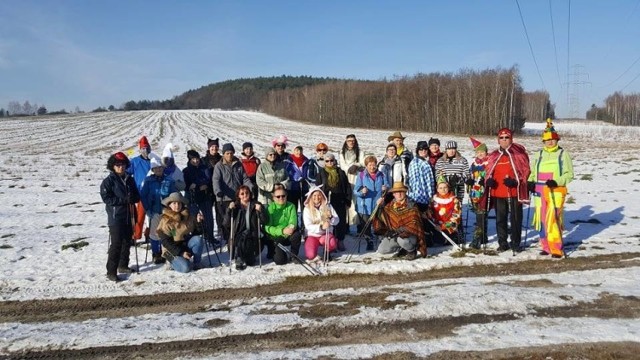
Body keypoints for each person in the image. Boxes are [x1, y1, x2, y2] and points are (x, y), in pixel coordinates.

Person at [528, 119, 574, 258]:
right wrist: (530, 182)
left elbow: (569, 174)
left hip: (555, 190)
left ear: (557, 140)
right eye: (547, 140)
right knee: (541, 219)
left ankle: (556, 249)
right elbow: (533, 172)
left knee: (552, 218)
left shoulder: (562, 154)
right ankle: (546, 246)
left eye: (552, 139)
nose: (550, 142)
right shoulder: (539, 154)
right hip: (539, 191)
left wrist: (557, 181)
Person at [485, 128, 531, 252]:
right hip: (498, 191)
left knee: (515, 218)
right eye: (501, 138)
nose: (504, 140)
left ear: (511, 139)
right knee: (500, 218)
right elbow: (488, 171)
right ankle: (502, 242)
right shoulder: (494, 155)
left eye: (507, 137)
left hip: (514, 191)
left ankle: (515, 242)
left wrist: (516, 181)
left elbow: (525, 170)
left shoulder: (519, 154)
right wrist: (489, 180)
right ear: (498, 140)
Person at [100, 151, 140, 282]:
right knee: (116, 243)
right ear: (112, 166)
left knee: (127, 241)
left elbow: (136, 195)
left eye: (122, 165)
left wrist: (133, 198)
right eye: (117, 165)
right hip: (115, 216)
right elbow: (107, 198)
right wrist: (123, 200)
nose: (120, 167)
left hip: (129, 215)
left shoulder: (130, 179)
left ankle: (123, 265)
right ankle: (111, 271)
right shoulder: (108, 181)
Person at [372, 182, 426, 260]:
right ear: (393, 194)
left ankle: (411, 250)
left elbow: (414, 225)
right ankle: (403, 249)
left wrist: (398, 231)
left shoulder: (412, 205)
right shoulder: (389, 206)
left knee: (402, 240)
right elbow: (382, 218)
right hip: (395, 235)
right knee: (382, 249)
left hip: (410, 236)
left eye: (401, 191)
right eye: (397, 192)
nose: (399, 194)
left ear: (405, 192)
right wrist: (379, 207)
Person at [212, 143, 254, 243]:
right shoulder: (219, 166)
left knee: (237, 219)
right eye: (227, 153)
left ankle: (238, 238)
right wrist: (218, 192)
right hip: (224, 198)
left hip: (237, 197)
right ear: (223, 154)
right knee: (226, 221)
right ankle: (228, 240)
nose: (229, 155)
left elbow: (244, 178)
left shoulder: (238, 164)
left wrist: (251, 187)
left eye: (231, 153)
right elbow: (216, 180)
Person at [157, 192, 205, 273]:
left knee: (198, 240)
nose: (177, 205)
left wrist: (199, 223)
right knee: (186, 268)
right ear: (169, 205)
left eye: (179, 203)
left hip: (184, 246)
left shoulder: (188, 216)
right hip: (171, 250)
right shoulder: (165, 220)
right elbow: (166, 242)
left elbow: (196, 233)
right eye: (174, 203)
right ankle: (171, 262)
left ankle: (197, 263)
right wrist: (181, 253)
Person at [140, 156, 175, 264]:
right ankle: (156, 253)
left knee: (168, 232)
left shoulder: (169, 180)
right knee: (154, 233)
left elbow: (173, 194)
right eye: (156, 168)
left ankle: (167, 253)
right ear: (153, 170)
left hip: (167, 211)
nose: (159, 170)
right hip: (154, 210)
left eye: (160, 168)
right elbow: (143, 196)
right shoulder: (148, 181)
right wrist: (147, 209)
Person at [224, 185, 267, 269]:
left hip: (252, 234)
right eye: (242, 193)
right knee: (241, 239)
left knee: (251, 262)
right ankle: (239, 258)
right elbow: (226, 223)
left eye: (247, 193)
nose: (245, 195)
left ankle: (248, 257)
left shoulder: (256, 205)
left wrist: (261, 211)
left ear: (250, 194)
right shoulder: (235, 206)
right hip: (238, 234)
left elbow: (264, 221)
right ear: (238, 195)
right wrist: (229, 210)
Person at [435, 140, 469, 244]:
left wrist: (459, 179)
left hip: (458, 191)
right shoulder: (441, 161)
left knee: (456, 213)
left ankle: (458, 235)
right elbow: (437, 176)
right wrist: (445, 180)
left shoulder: (462, 160)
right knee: (445, 213)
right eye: (449, 149)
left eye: (453, 149)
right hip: (445, 192)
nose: (451, 151)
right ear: (446, 150)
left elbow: (467, 175)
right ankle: (446, 234)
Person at [315, 152, 351, 251]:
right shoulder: (321, 173)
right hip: (327, 201)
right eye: (327, 161)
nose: (330, 162)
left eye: (331, 160)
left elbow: (347, 187)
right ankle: (331, 241)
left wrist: (348, 200)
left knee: (341, 221)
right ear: (325, 162)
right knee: (329, 221)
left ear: (334, 161)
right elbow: (318, 187)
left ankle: (340, 240)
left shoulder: (340, 172)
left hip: (340, 200)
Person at [353, 155, 388, 250]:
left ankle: (379, 239)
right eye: (370, 165)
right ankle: (369, 241)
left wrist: (385, 189)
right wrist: (362, 192)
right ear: (366, 165)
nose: (372, 167)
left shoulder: (381, 175)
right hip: (364, 205)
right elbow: (355, 191)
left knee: (378, 224)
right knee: (366, 225)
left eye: (374, 165)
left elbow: (387, 186)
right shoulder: (361, 175)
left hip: (377, 204)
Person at [183, 150, 214, 245]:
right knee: (193, 219)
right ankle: (194, 238)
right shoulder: (186, 171)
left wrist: (196, 184)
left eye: (197, 158)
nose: (196, 161)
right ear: (189, 160)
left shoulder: (205, 168)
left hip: (205, 196)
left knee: (208, 217)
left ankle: (210, 237)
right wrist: (198, 185)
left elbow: (208, 180)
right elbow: (187, 185)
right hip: (192, 198)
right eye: (193, 159)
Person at [264, 187, 302, 265]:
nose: (281, 198)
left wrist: (291, 228)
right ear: (273, 198)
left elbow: (293, 221)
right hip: (276, 236)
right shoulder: (270, 208)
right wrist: (282, 231)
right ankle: (274, 251)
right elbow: (268, 227)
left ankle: (293, 255)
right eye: (278, 196)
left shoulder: (291, 206)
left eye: (283, 196)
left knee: (297, 235)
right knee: (280, 261)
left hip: (288, 234)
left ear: (286, 196)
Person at [127, 135, 154, 241]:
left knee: (152, 216)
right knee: (140, 216)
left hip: (153, 192)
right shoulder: (135, 161)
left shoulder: (153, 160)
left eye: (147, 148)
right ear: (140, 149)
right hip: (141, 193)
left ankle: (149, 235)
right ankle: (136, 235)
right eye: (143, 148)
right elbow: (127, 173)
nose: (146, 150)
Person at [303, 185, 339, 263]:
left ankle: (327, 251)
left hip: (325, 235)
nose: (317, 197)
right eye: (314, 195)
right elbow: (308, 226)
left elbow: (337, 220)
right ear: (310, 197)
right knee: (310, 255)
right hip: (313, 235)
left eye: (319, 195)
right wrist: (321, 227)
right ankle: (314, 253)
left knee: (332, 242)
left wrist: (331, 218)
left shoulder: (327, 206)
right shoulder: (307, 209)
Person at [466, 137, 489, 249]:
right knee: (478, 213)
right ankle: (484, 236)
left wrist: (484, 181)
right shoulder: (474, 163)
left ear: (486, 152)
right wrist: (469, 180)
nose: (480, 154)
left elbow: (490, 175)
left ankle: (478, 238)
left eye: (482, 152)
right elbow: (470, 174)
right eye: (478, 152)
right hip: (475, 191)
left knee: (482, 213)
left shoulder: (488, 163)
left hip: (484, 191)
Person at [339, 134, 365, 233]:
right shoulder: (342, 152)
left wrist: (356, 165)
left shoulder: (360, 152)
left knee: (357, 201)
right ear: (346, 141)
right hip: (346, 177)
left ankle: (359, 226)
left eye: (353, 141)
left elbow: (362, 162)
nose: (351, 142)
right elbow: (342, 165)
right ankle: (346, 226)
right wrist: (349, 168)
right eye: (349, 140)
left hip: (356, 178)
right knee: (346, 201)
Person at [427, 176, 462, 246]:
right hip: (436, 226)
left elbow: (456, 218)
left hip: (449, 227)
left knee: (446, 240)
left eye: (445, 187)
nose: (443, 190)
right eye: (440, 188)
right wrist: (426, 214)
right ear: (437, 189)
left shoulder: (454, 200)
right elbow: (430, 213)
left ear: (448, 188)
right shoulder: (433, 200)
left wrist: (443, 226)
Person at [202, 138, 223, 241]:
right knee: (208, 213)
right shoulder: (204, 160)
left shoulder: (222, 159)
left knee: (219, 211)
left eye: (216, 146)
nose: (214, 148)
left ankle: (221, 229)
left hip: (220, 189)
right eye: (212, 147)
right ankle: (208, 233)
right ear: (209, 148)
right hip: (208, 190)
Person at [407, 141, 435, 212]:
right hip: (419, 198)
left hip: (427, 197)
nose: (423, 151)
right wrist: (419, 198)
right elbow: (416, 182)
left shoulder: (425, 162)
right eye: (421, 149)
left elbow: (429, 181)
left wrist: (430, 196)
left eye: (425, 149)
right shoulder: (415, 162)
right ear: (417, 151)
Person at [285, 145, 310, 214]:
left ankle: (304, 223)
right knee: (293, 206)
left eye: (300, 150)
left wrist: (305, 179)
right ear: (293, 151)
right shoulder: (289, 161)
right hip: (293, 187)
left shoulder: (306, 160)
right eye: (297, 150)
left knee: (305, 206)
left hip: (304, 187)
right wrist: (294, 178)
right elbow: (287, 173)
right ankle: (294, 223)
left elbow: (308, 172)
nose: (298, 152)